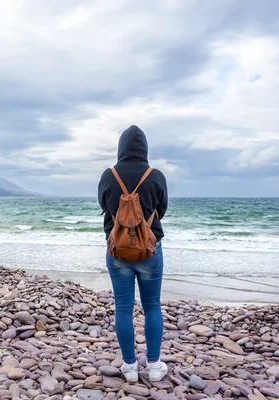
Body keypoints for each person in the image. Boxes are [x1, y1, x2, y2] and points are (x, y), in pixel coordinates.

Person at [98, 125, 168, 383]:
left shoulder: (109, 175)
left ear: (121, 148)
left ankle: (129, 367)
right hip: (150, 250)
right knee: (152, 307)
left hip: (117, 252)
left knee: (123, 310)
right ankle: (154, 365)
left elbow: (103, 205)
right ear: (145, 148)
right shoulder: (156, 175)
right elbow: (162, 210)